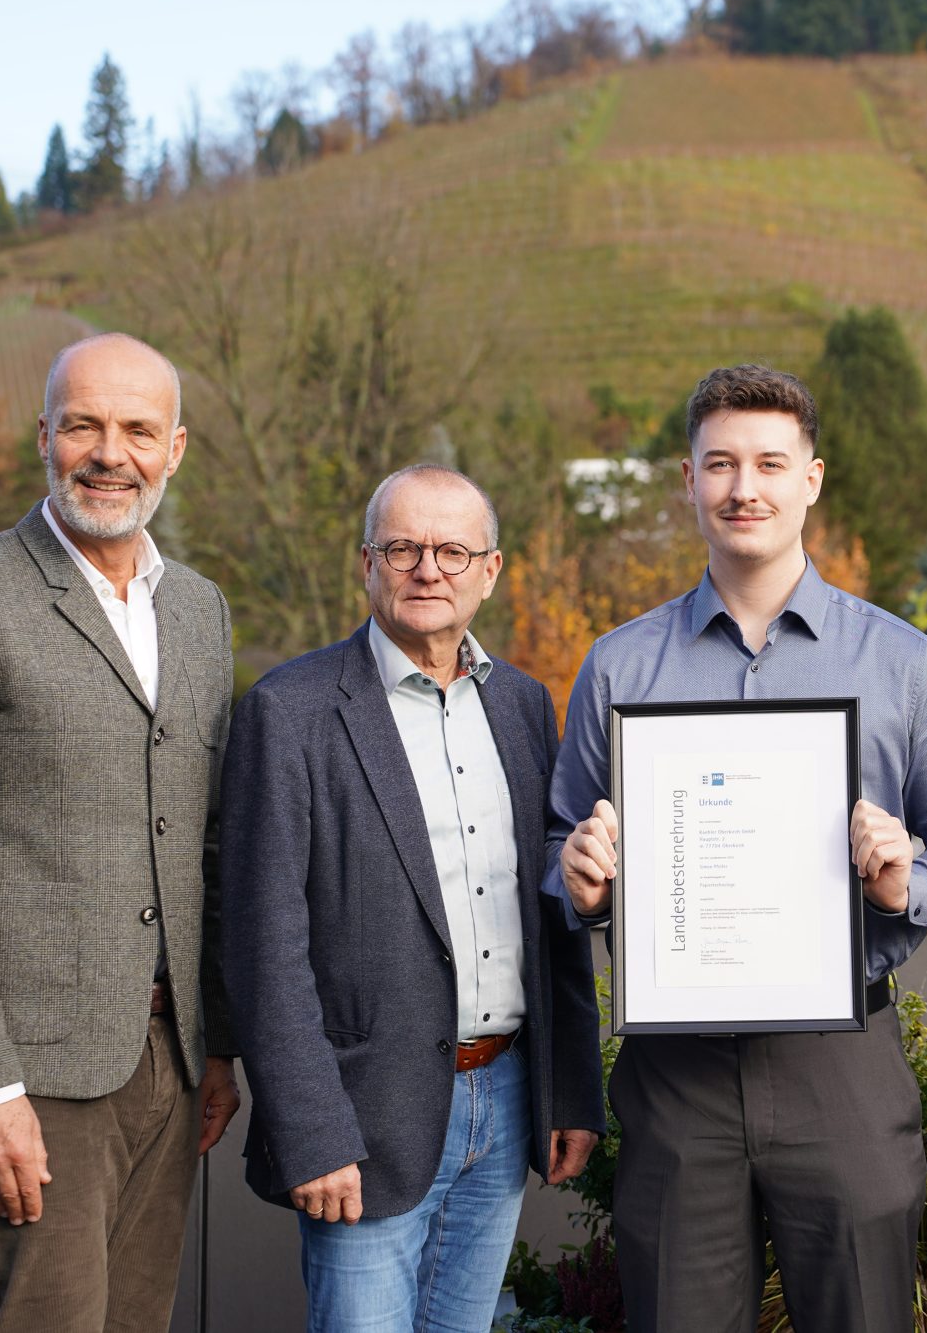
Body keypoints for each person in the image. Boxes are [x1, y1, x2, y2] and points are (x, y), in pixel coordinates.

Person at [548, 363, 927, 1332]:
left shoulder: (899, 663)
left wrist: (901, 882)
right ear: (687, 480)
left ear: (812, 478)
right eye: (719, 464)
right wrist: (577, 879)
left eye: (766, 463)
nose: (742, 487)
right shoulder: (621, 664)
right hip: (678, 1076)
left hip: (841, 1062)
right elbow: (558, 847)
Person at [0, 333, 241, 1331]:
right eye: (82, 423)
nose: (107, 452)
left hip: (169, 1062)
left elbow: (204, 840)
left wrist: (217, 1043)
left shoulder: (201, 613)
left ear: (175, 448)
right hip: (33, 1079)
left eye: (134, 429)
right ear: (44, 436)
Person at [221, 464, 603, 1333]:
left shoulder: (522, 706)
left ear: (491, 569)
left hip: (505, 1101)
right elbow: (261, 946)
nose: (427, 568)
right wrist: (312, 1131)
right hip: (363, 1114)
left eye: (452, 549)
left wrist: (572, 1090)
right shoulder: (291, 711)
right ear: (367, 563)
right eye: (403, 547)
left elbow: (548, 915)